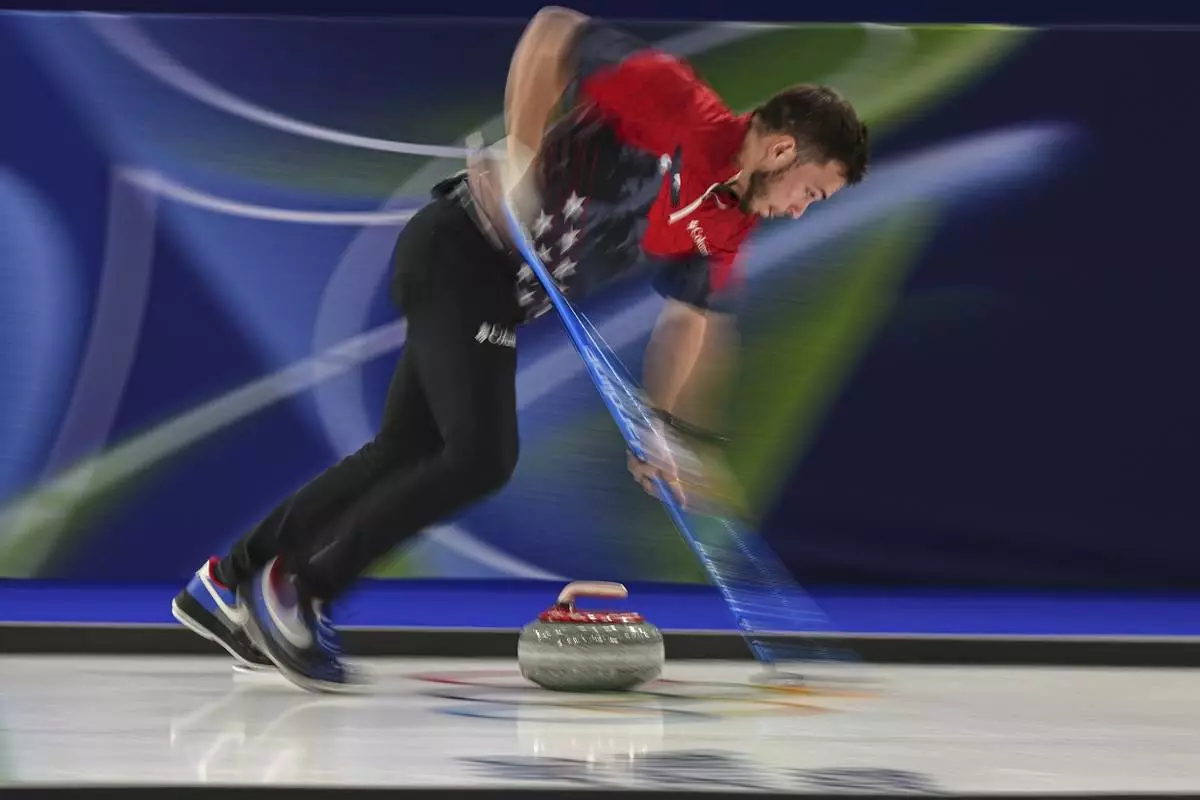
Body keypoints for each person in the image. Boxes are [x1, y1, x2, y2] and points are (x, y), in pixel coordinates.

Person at [171, 6, 870, 693]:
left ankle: (225, 582)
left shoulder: (726, 220)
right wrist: (524, 152)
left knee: (403, 451)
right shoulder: (679, 104)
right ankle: (299, 589)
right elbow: (553, 29)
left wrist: (661, 428)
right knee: (480, 457)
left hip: (492, 292)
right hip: (460, 249)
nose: (801, 209)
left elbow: (692, 319)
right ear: (781, 151)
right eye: (810, 191)